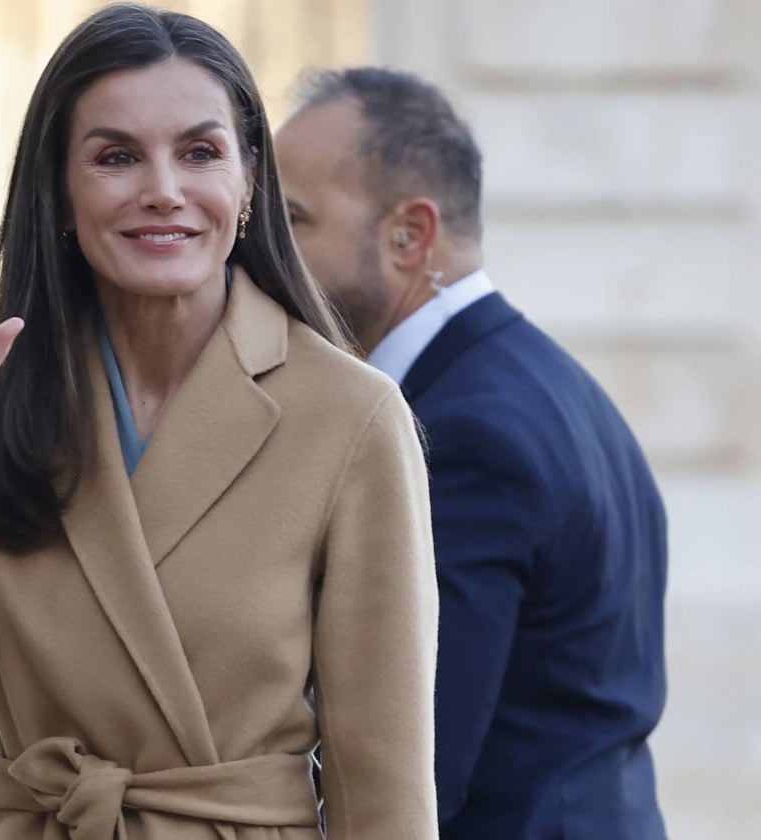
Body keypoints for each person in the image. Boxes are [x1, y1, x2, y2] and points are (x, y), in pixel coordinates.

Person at [0, 7, 440, 838]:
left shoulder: (350, 415)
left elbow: (383, 778)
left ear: (248, 184)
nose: (163, 188)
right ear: (59, 188)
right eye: (117, 157)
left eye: (200, 152)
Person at [274, 67, 668, 839]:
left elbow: (414, 763)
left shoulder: (458, 435)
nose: (263, 255)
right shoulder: (555, 389)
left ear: (410, 236)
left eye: (294, 220)